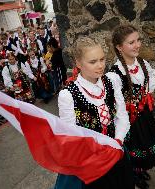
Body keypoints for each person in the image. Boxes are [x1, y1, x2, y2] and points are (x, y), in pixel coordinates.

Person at [54, 37, 134, 189]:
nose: (100, 66)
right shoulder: (68, 95)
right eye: (92, 62)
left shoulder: (112, 81)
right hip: (91, 159)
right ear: (78, 63)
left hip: (115, 150)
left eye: (102, 59)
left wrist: (117, 142)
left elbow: (122, 116)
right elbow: (71, 135)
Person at [108, 24, 155, 189]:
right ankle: (134, 174)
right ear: (119, 47)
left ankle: (140, 170)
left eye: (138, 40)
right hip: (129, 120)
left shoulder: (143, 63)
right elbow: (115, 104)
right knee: (134, 147)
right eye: (131, 42)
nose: (137, 45)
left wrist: (143, 100)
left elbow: (149, 85)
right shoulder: (115, 74)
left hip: (144, 114)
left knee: (147, 143)